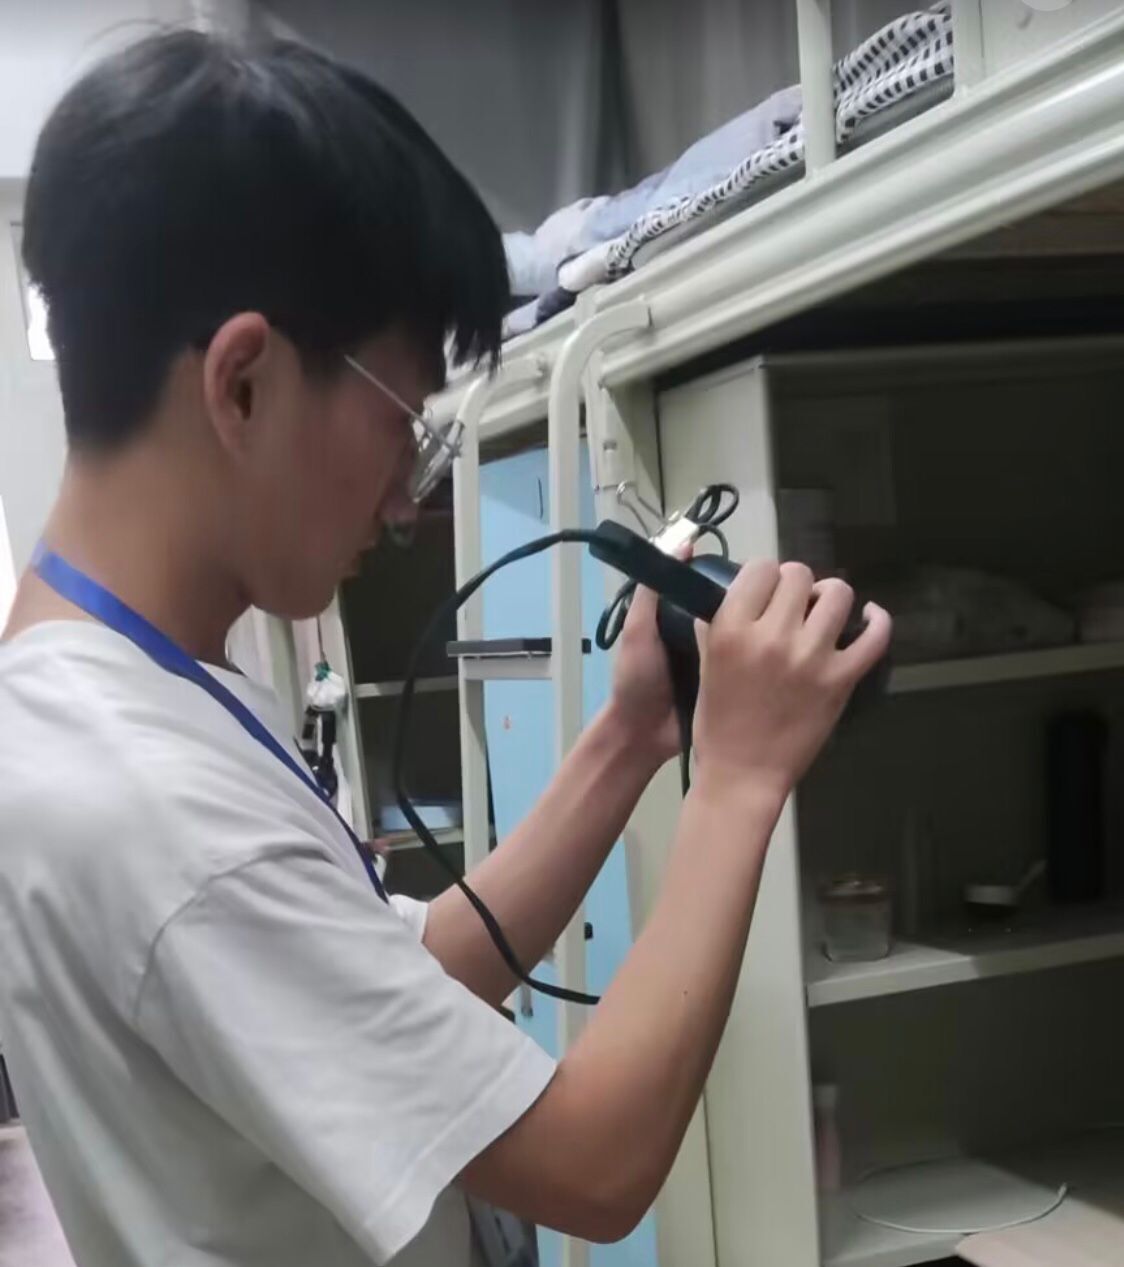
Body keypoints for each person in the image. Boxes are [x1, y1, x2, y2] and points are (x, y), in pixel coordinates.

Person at [0, 29, 891, 1267]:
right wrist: (738, 779)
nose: (405, 499)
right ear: (243, 383)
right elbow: (593, 1163)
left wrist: (632, 737)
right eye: (402, 420)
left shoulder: (111, 693)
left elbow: (405, 982)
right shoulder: (147, 799)